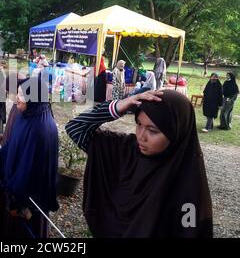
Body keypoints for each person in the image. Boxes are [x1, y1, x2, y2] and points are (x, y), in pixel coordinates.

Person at [65, 90, 212, 238]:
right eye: (139, 124)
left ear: (177, 131)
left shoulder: (188, 180)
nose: (141, 136)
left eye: (153, 131)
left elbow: (191, 230)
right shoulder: (125, 149)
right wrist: (120, 105)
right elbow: (76, 128)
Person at [0, 76, 59, 238]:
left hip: (28, 200)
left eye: (20, 95)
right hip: (18, 194)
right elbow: (11, 145)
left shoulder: (40, 128)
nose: (16, 99)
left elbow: (28, 172)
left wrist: (16, 203)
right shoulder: (27, 115)